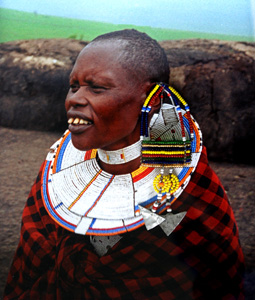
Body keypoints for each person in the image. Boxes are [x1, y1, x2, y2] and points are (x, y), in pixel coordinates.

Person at [4, 29, 244, 299]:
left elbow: (209, 281)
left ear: (150, 97)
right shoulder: (56, 179)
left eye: (97, 88)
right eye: (74, 86)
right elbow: (29, 269)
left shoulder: (188, 194)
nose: (74, 99)